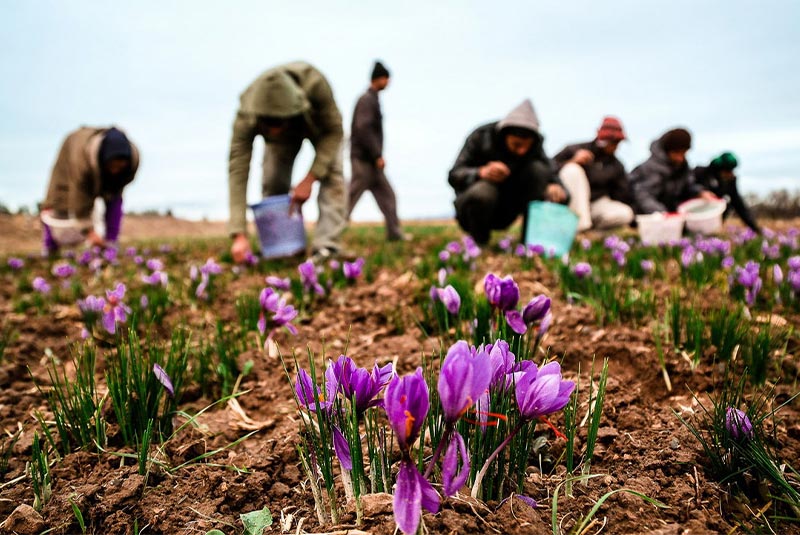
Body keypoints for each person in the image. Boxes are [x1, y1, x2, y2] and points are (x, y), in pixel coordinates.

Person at [228, 61, 347, 263]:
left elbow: (335, 131)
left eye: (278, 123)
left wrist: (310, 178)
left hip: (320, 131)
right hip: (282, 143)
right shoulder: (247, 112)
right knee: (273, 179)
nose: (275, 130)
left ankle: (326, 246)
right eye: (269, 124)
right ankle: (281, 247)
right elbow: (238, 168)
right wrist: (238, 233)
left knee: (332, 174)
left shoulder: (316, 86)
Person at [448, 99, 568, 245]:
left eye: (526, 146)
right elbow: (454, 174)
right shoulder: (481, 136)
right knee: (483, 191)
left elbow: (552, 173)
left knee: (538, 170)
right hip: (475, 209)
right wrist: (481, 172)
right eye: (516, 144)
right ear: (504, 135)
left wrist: (554, 186)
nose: (522, 150)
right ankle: (479, 243)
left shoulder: (536, 148)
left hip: (509, 208)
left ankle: (529, 244)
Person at [41, 126, 139, 253]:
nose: (116, 170)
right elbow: (80, 199)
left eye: (120, 166)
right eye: (113, 165)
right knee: (58, 199)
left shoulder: (132, 160)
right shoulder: (81, 161)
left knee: (114, 196)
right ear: (104, 160)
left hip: (98, 165)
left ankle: (111, 243)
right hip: (72, 155)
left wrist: (109, 238)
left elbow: (115, 197)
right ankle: (50, 246)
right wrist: (90, 232)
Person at [348, 61, 404, 241]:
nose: (388, 83)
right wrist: (376, 155)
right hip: (364, 160)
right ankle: (329, 235)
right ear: (379, 79)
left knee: (388, 196)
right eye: (387, 79)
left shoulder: (373, 99)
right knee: (350, 197)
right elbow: (363, 128)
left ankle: (395, 234)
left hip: (372, 162)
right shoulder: (366, 100)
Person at [554, 116, 634, 231]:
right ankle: (580, 229)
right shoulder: (574, 149)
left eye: (617, 142)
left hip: (596, 205)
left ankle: (592, 233)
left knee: (625, 213)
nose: (615, 146)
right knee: (572, 169)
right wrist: (573, 161)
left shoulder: (616, 166)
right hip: (569, 204)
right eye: (612, 142)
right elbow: (549, 170)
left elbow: (623, 195)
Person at [629, 127, 716, 214]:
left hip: (674, 215)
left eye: (683, 153)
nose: (680, 158)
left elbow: (688, 186)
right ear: (667, 151)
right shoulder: (649, 168)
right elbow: (643, 196)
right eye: (677, 152)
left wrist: (700, 192)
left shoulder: (683, 167)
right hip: (650, 216)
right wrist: (661, 212)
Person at [694, 152, 760, 233]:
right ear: (720, 169)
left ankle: (712, 233)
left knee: (726, 203)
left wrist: (755, 229)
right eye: (728, 171)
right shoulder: (701, 173)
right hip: (695, 213)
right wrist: (700, 192)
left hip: (713, 219)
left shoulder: (730, 181)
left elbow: (739, 205)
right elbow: (688, 188)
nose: (730, 174)